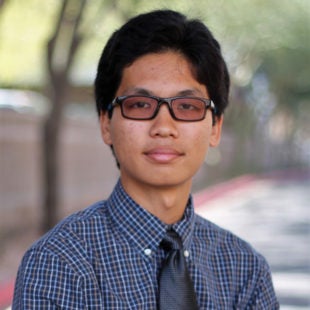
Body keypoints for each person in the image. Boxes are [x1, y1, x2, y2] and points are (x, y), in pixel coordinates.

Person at [13, 9, 279, 309]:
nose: (163, 127)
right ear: (106, 123)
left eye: (187, 106)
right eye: (140, 104)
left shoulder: (244, 270)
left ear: (215, 127)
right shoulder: (59, 263)